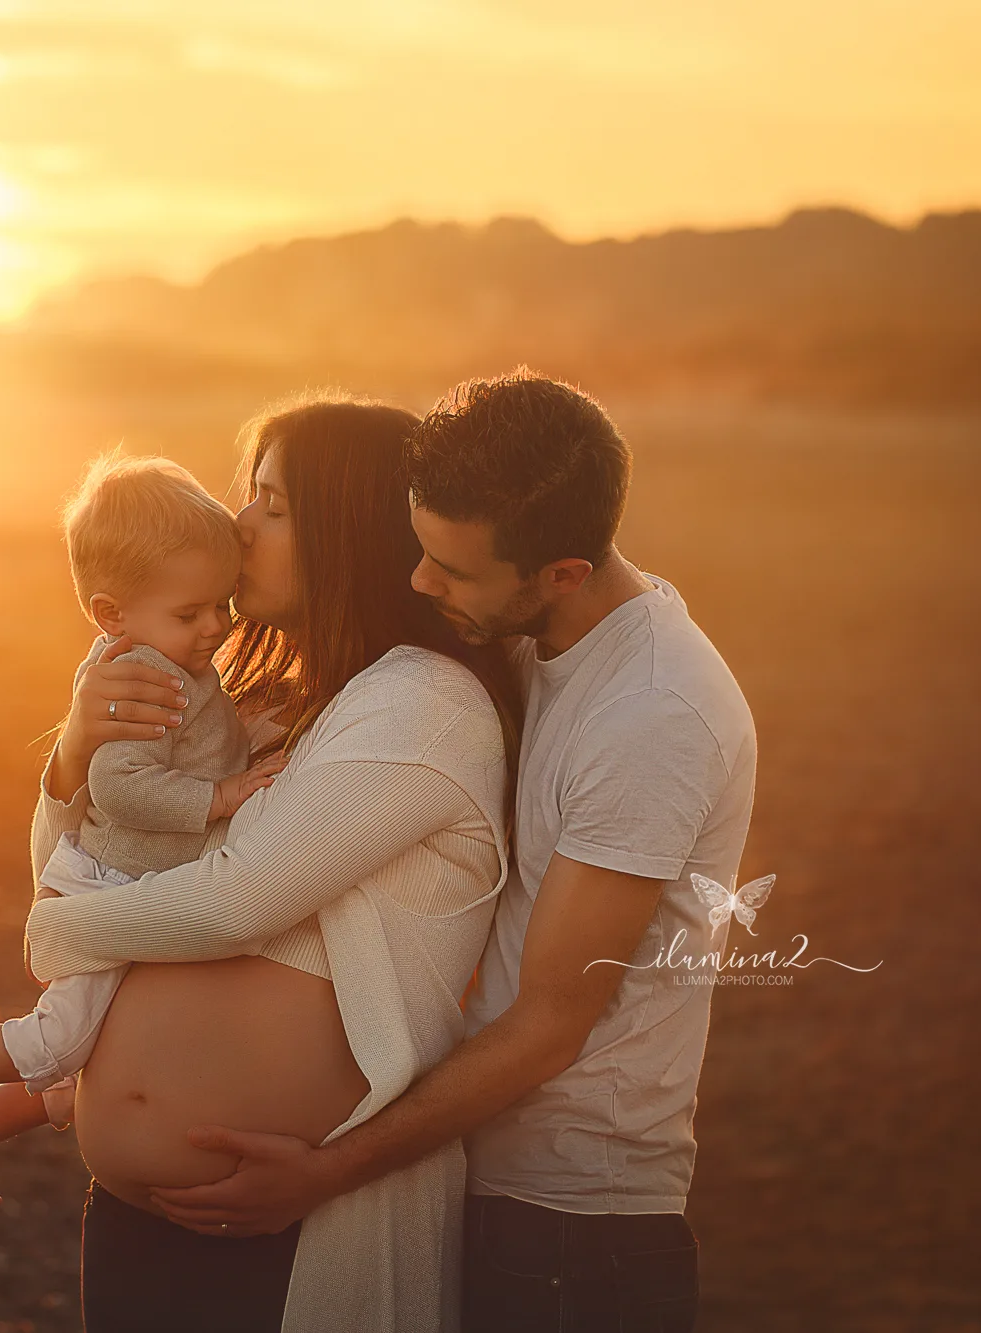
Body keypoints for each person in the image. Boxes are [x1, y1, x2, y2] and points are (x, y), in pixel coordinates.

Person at [134, 371, 757, 1333]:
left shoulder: (650, 714)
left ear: (563, 573)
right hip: (475, 1178)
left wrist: (327, 1171)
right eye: (419, 549)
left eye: (452, 571)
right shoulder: (521, 640)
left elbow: (552, 1020)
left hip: (569, 1226)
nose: (421, 582)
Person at [23, 396, 522, 1332]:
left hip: (283, 1228)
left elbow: (233, 902)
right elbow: (92, 862)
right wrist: (72, 754)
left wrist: (51, 932)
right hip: (142, 1223)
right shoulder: (256, 700)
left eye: (272, 503)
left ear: (350, 530)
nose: (237, 523)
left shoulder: (421, 702)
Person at [0, 454, 283, 1205]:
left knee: (87, 1044)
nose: (216, 628)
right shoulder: (143, 677)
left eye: (220, 606)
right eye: (191, 614)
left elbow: (200, 737)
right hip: (110, 881)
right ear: (111, 616)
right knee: (61, 1036)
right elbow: (122, 787)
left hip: (128, 875)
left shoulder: (167, 657)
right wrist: (222, 795)